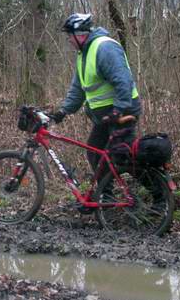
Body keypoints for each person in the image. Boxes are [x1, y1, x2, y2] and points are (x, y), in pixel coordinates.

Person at [50, 12, 141, 182]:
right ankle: (105, 196)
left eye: (70, 36)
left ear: (79, 35)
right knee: (95, 152)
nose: (69, 40)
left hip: (121, 111)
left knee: (124, 158)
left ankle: (159, 196)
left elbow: (123, 81)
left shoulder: (104, 48)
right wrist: (63, 111)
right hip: (106, 116)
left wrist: (118, 109)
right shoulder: (84, 54)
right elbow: (79, 88)